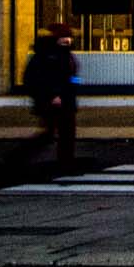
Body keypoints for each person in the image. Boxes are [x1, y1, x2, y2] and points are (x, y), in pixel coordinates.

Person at [14, 22, 80, 168]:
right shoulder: (48, 55)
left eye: (69, 37)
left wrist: (73, 87)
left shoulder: (65, 54)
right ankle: (18, 156)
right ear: (56, 38)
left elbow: (69, 77)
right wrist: (52, 95)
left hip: (65, 99)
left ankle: (65, 161)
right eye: (64, 37)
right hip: (53, 101)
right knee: (57, 133)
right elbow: (40, 78)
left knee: (64, 132)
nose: (67, 40)